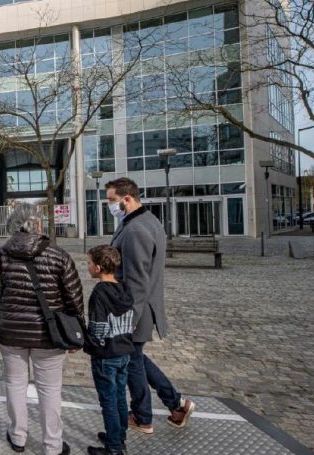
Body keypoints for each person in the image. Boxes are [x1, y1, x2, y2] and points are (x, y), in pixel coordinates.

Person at [0, 202, 84, 455]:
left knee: (15, 384)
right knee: (50, 390)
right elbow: (74, 296)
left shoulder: (1, 254)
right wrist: (78, 331)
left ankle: (18, 436)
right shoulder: (58, 254)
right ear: (38, 224)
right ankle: (52, 445)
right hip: (49, 335)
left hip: (11, 332)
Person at [106, 177, 196, 434]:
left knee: (133, 362)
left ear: (127, 199)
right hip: (143, 305)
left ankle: (144, 416)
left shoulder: (135, 230)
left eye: (112, 200)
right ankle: (176, 403)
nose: (109, 205)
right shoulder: (147, 221)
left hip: (136, 308)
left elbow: (136, 279)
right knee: (136, 358)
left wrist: (129, 318)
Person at [84, 245, 135, 455]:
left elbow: (98, 329)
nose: (86, 266)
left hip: (106, 355)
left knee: (108, 401)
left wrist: (89, 342)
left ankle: (114, 448)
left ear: (97, 267)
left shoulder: (99, 293)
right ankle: (119, 436)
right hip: (124, 350)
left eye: (88, 263)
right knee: (121, 397)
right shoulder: (124, 288)